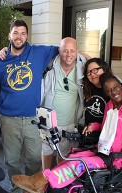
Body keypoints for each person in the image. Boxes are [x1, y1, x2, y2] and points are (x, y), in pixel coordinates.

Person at [11, 74, 122, 193]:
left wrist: (118, 161)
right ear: (106, 93)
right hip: (102, 151)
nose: (113, 92)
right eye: (108, 90)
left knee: (79, 164)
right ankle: (40, 188)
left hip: (114, 158)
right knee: (71, 157)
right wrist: (94, 126)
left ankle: (38, 182)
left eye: (115, 87)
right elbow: (107, 126)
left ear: (120, 86)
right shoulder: (109, 105)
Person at [0, 19, 58, 188]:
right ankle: (16, 189)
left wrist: (87, 58)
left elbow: (65, 50)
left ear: (27, 36)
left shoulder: (38, 53)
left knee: (34, 159)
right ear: (9, 35)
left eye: (23, 33)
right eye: (15, 33)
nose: (19, 36)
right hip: (9, 119)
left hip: (32, 119)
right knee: (12, 160)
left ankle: (33, 190)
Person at [41, 37, 87, 169]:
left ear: (77, 51)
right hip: (49, 121)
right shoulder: (49, 65)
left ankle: (60, 186)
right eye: (65, 50)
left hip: (70, 122)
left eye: (72, 51)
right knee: (47, 151)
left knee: (64, 155)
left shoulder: (84, 67)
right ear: (59, 51)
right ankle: (46, 182)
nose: (68, 55)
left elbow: (103, 71)